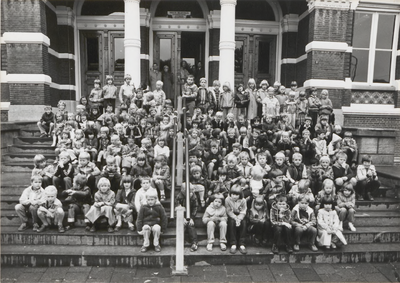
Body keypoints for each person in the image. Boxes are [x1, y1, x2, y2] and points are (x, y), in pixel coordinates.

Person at [175, 184, 199, 252]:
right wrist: (182, 218)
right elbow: (177, 207)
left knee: (191, 226)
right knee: (182, 226)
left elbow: (195, 208)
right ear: (183, 191)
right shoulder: (179, 197)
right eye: (189, 192)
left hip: (190, 214)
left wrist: (192, 218)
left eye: (192, 191)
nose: (191, 193)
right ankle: (180, 242)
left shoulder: (194, 196)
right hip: (181, 215)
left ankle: (194, 243)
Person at [225, 185, 248, 254]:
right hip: (232, 215)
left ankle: (242, 244)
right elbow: (228, 211)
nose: (234, 196)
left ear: (240, 195)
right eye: (233, 194)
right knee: (231, 222)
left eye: (236, 195)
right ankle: (233, 243)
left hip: (241, 215)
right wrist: (235, 218)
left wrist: (239, 219)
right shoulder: (227, 199)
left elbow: (244, 211)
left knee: (244, 223)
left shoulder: (243, 200)